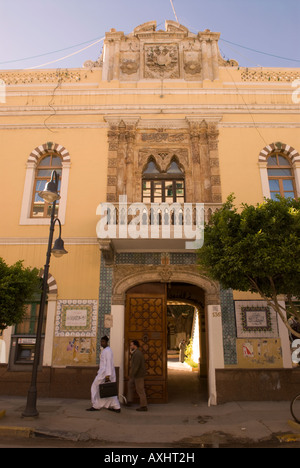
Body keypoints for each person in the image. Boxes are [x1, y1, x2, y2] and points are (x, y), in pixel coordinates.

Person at [86, 335, 121, 412]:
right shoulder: (105, 350)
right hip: (104, 373)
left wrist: (107, 376)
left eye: (103, 341)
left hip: (105, 374)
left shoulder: (107, 351)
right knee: (109, 391)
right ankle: (116, 406)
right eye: (101, 341)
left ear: (106, 342)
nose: (102, 343)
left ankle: (96, 405)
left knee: (95, 386)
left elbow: (108, 363)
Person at [127, 340, 148, 412]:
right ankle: (129, 401)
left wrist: (132, 375)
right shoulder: (135, 353)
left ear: (135, 346)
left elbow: (136, 366)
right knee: (130, 384)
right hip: (135, 375)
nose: (130, 346)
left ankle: (143, 406)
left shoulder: (137, 354)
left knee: (140, 390)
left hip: (138, 375)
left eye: (131, 345)